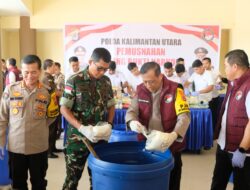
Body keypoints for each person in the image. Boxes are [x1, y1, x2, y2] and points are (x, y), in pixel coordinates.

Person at [125, 61, 190, 190]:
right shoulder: (140, 89)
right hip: (147, 143)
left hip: (170, 145)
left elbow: (184, 117)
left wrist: (174, 135)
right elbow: (131, 111)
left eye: (151, 81)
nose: (148, 85)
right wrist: (131, 121)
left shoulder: (176, 89)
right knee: (148, 181)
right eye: (145, 81)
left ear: (160, 76)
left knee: (172, 181)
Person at [60, 47, 115, 190]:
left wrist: (109, 123)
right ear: (90, 62)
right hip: (77, 139)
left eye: (106, 69)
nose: (102, 72)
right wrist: (82, 128)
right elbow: (64, 108)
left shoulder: (106, 81)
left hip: (98, 139)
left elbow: (111, 105)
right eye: (100, 68)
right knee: (72, 180)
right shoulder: (74, 80)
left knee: (97, 180)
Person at [0, 55, 57, 190]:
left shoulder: (48, 92)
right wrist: (1, 143)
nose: (29, 76)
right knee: (18, 183)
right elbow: (2, 118)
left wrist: (39, 127)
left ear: (40, 72)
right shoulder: (11, 90)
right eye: (26, 72)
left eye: (34, 72)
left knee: (39, 183)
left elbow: (52, 116)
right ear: (21, 71)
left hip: (39, 147)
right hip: (16, 147)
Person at [211, 49, 250, 190]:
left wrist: (242, 149)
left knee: (241, 185)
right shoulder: (234, 83)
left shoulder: (248, 86)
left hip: (241, 151)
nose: (224, 69)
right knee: (217, 182)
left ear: (235, 66)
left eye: (226, 65)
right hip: (224, 145)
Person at [42, 59, 60, 158]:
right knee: (51, 130)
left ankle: (53, 147)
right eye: (53, 66)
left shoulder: (50, 77)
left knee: (54, 128)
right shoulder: (46, 78)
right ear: (48, 67)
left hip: (53, 106)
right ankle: (48, 151)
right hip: (49, 107)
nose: (55, 68)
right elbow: (54, 92)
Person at [202, 57, 222, 128]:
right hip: (205, 99)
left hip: (215, 97)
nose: (204, 65)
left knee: (214, 116)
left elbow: (220, 88)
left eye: (206, 63)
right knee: (205, 117)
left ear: (210, 63)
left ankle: (213, 132)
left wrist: (218, 85)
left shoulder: (216, 72)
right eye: (203, 64)